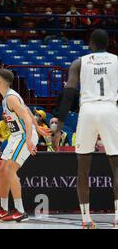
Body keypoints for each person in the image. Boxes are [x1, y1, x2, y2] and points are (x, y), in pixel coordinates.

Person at [53, 29, 118, 229]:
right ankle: (117, 215)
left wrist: (60, 126)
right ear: (108, 44)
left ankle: (86, 219)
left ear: (90, 44)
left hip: (87, 110)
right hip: (109, 109)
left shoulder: (80, 62)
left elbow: (69, 94)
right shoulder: (116, 60)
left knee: (83, 169)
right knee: (116, 167)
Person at [0, 68, 50, 222]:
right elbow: (27, 110)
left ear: (2, 81)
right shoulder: (8, 96)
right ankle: (3, 209)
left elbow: (27, 118)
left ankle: (21, 211)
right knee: (2, 169)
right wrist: (38, 128)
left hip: (24, 136)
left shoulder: (10, 98)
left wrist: (30, 139)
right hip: (16, 136)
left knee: (10, 169)